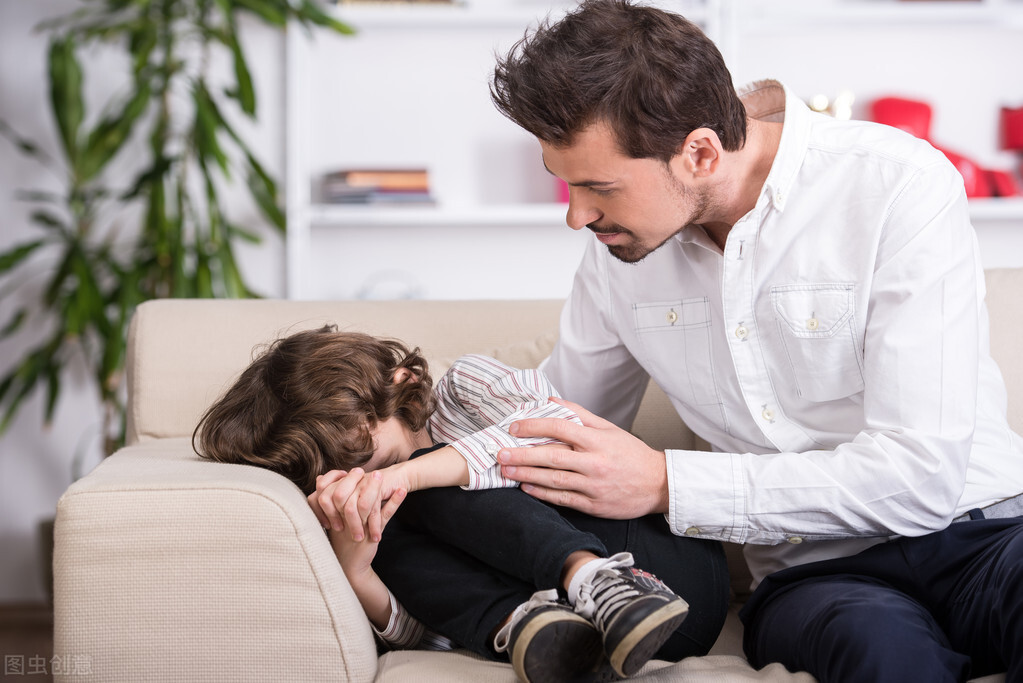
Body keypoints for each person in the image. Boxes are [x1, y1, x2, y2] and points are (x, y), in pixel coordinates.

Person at [488, 1, 1023, 681]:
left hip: (988, 531)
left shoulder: (894, 184)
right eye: (565, 184)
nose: (576, 215)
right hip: (817, 575)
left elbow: (919, 476)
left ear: (700, 152)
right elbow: (553, 427)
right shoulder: (616, 257)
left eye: (598, 187)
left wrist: (664, 481)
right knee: (881, 656)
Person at [192, 326, 728, 682]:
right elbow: (435, 633)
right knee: (390, 529)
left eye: (367, 457)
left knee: (431, 481)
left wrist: (409, 474)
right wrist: (358, 571)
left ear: (399, 383)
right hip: (596, 643)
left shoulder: (466, 388)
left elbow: (560, 430)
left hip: (662, 570)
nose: (365, 480)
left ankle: (596, 580)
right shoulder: (378, 511)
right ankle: (533, 631)